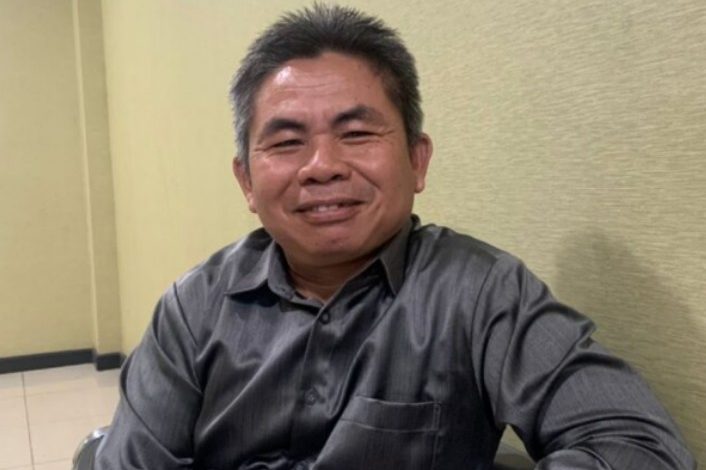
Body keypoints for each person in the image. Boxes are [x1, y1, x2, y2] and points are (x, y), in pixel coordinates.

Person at [96, 4, 695, 469]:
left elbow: (637, 445)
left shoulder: (482, 294)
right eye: (287, 141)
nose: (322, 166)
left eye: (356, 134)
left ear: (417, 159)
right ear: (247, 182)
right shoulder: (193, 308)